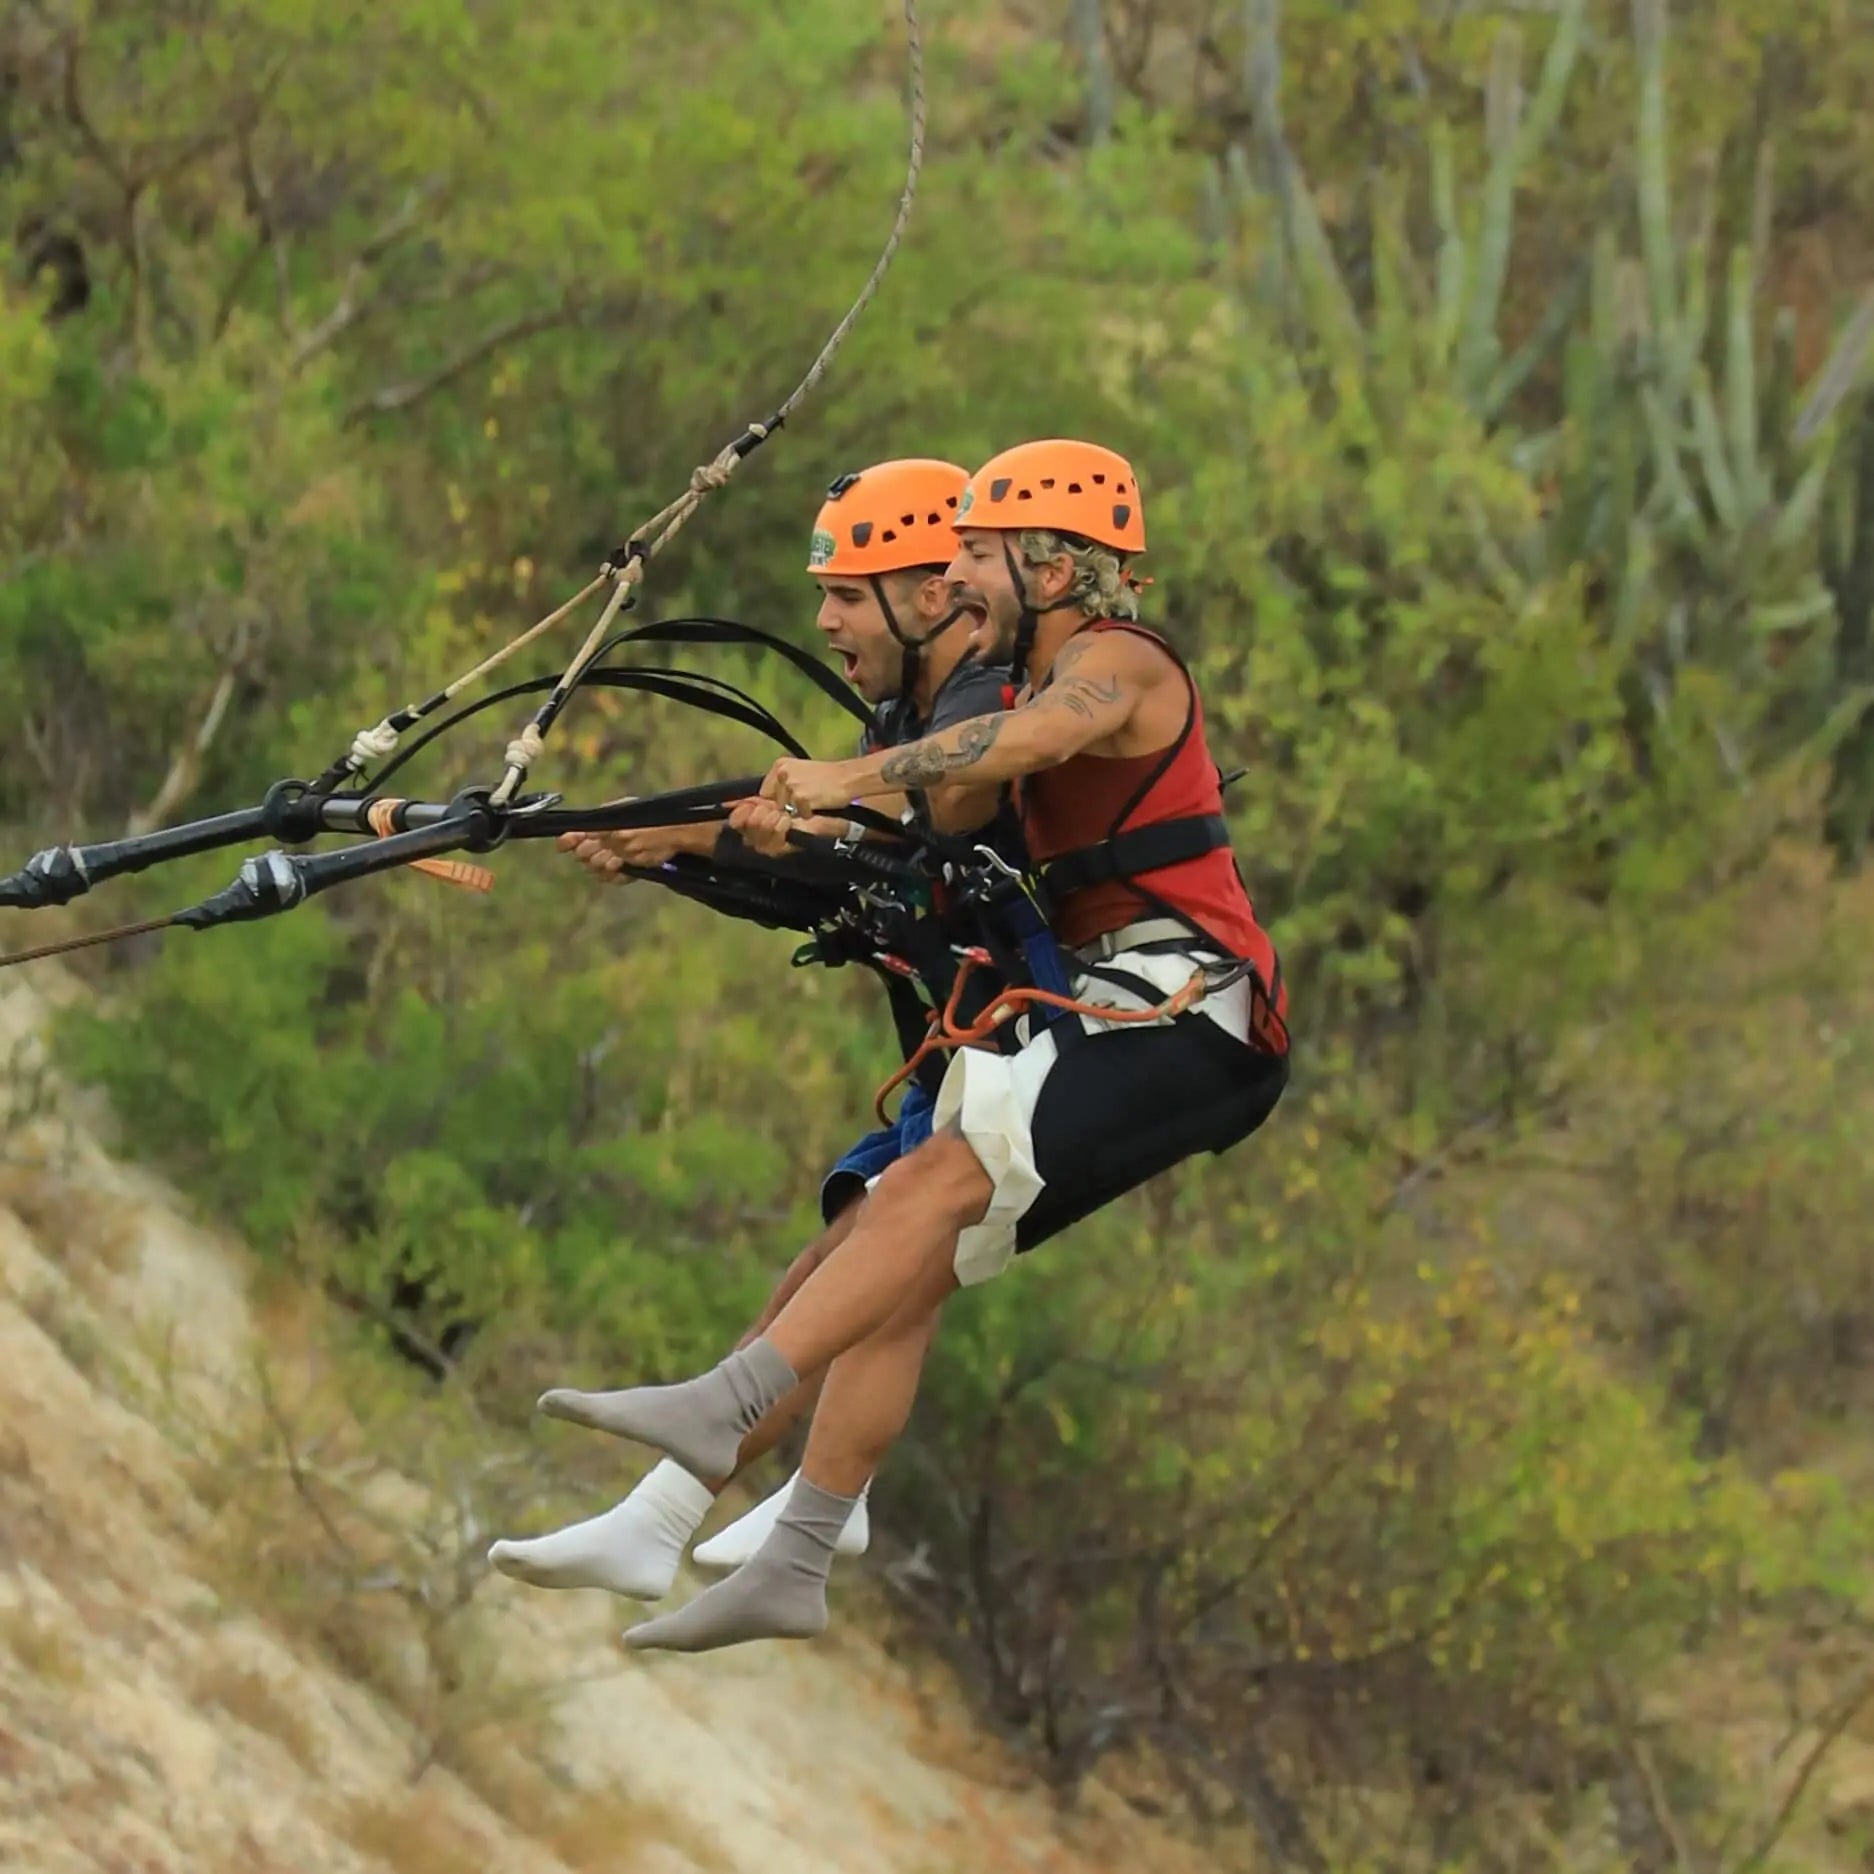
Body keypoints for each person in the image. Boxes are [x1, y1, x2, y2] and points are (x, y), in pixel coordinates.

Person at [538, 438, 1292, 1654]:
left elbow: (1026, 746)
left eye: (979, 559)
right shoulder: (1009, 678)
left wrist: (840, 777)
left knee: (933, 1180)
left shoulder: (1116, 664)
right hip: (1129, 1000)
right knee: (909, 1215)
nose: (956, 584)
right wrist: (705, 831)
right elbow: (933, 809)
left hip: (1193, 1000)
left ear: (1054, 562)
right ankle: (793, 1543)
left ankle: (721, 1415)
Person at [488, 458, 1016, 1600]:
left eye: (847, 590)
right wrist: (672, 849)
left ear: (931, 592)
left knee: (875, 1262)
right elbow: (841, 875)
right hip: (966, 1048)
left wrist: (704, 834)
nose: (822, 615)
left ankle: (796, 1515)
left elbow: (919, 837)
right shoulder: (905, 712)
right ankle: (664, 1515)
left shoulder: (983, 706)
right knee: (833, 1262)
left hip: (1027, 1048)